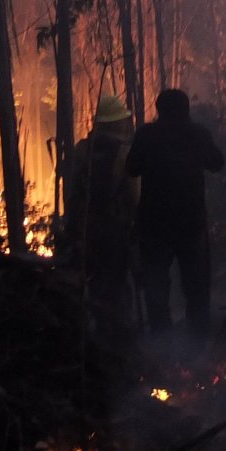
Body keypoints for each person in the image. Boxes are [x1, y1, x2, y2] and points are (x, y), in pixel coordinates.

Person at [126, 88, 224, 340]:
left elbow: (131, 168)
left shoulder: (147, 135)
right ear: (186, 108)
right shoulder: (198, 134)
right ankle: (198, 341)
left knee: (156, 286)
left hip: (154, 224)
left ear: (159, 109)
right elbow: (217, 163)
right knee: (196, 287)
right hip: (191, 223)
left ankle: (162, 342)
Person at [63, 93, 138, 334]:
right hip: (115, 233)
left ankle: (94, 336)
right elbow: (135, 196)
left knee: (92, 286)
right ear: (118, 123)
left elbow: (73, 191)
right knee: (117, 287)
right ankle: (118, 339)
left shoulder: (81, 150)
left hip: (84, 233)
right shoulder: (125, 154)